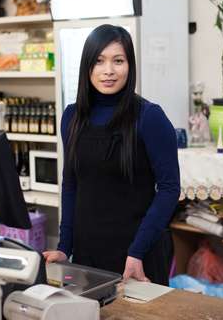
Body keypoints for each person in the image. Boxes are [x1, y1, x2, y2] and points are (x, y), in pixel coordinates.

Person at [43, 24, 180, 285]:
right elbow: (71, 184)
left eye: (118, 61)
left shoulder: (150, 117)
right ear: (87, 67)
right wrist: (64, 246)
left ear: (130, 65)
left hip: (138, 256)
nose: (108, 71)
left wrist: (137, 251)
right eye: (99, 61)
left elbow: (169, 189)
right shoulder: (72, 117)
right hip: (87, 254)